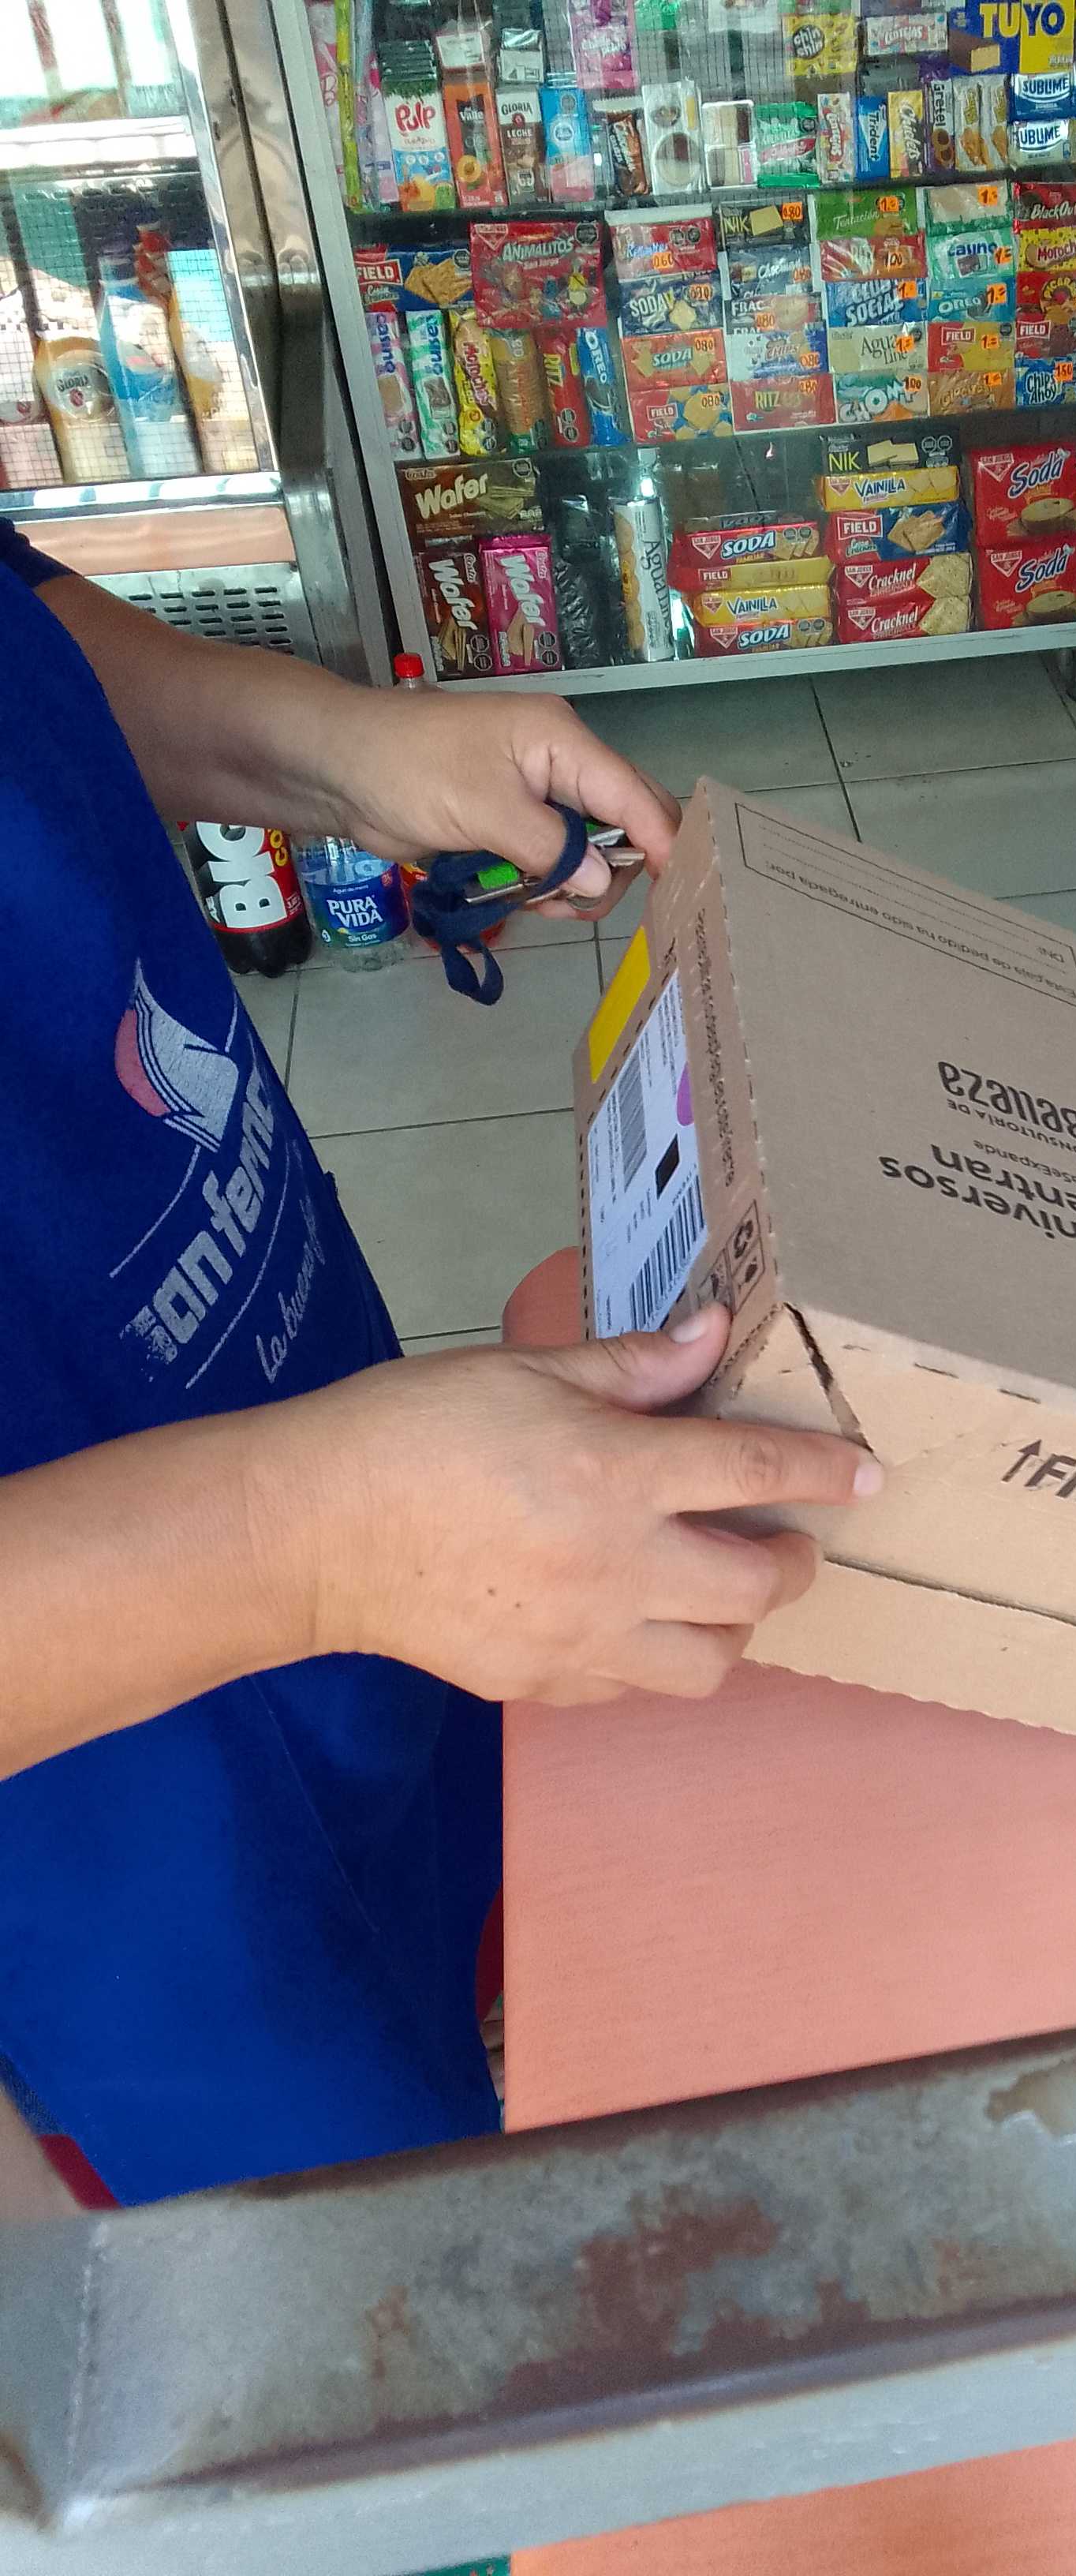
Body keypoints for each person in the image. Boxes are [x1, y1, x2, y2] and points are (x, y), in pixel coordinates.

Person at [0, 516, 878, 2207]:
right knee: (374, 2238)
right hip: (99, 1812)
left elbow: (30, 645)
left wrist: (337, 753)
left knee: (511, 1896)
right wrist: (312, 1541)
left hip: (297, 1392)